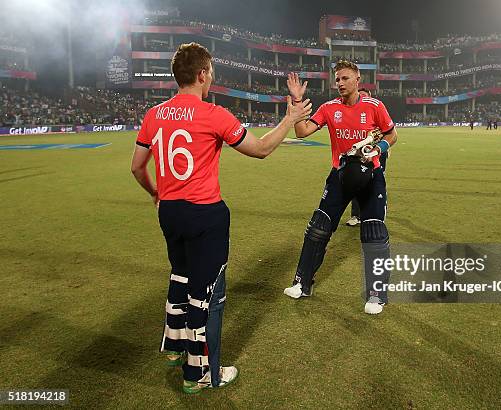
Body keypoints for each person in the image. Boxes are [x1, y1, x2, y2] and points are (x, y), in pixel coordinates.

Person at [130, 42, 311, 392]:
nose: (211, 78)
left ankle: (175, 346)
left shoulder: (154, 115)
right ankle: (201, 375)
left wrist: (156, 192)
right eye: (210, 72)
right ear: (201, 74)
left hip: (169, 212)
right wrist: (289, 118)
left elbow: (137, 167)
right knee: (206, 296)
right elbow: (259, 150)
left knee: (180, 277)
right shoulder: (214, 114)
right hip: (205, 214)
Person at [283, 61, 398, 314]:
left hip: (371, 175)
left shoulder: (375, 106)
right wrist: (296, 101)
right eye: (337, 79)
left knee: (374, 233)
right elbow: (301, 131)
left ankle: (377, 294)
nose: (340, 83)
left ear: (358, 79)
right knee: (318, 228)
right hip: (340, 175)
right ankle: (302, 282)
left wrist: (380, 149)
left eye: (345, 78)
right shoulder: (328, 108)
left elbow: (392, 135)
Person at [345, 87, 390, 227]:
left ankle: (376, 212)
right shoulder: (353, 113)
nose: (363, 99)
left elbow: (389, 133)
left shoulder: (377, 110)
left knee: (376, 182)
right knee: (357, 182)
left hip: (377, 154)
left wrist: (382, 148)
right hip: (359, 154)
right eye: (361, 96)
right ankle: (356, 215)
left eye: (366, 96)